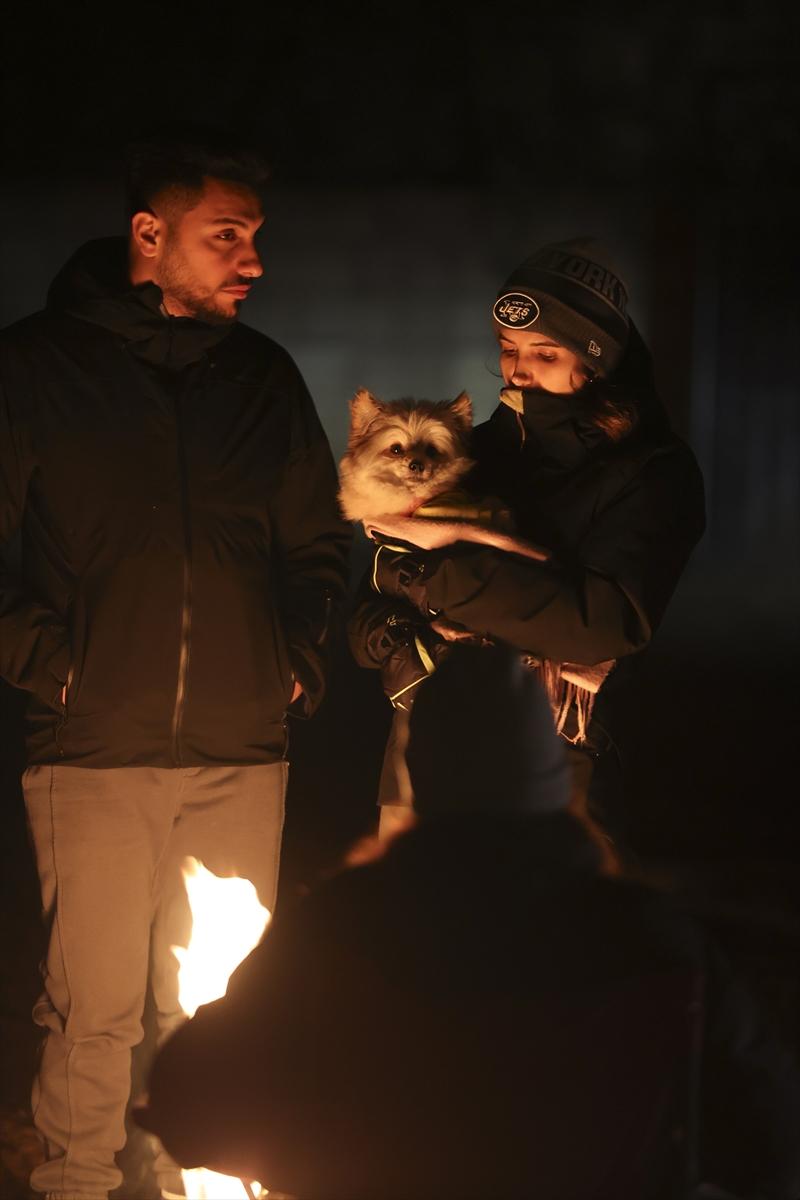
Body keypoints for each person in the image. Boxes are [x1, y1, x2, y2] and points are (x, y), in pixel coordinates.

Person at [0, 128, 351, 1200]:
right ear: (148, 236)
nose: (251, 261)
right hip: (92, 750)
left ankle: (198, 1186)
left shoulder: (263, 379)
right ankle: (75, 1186)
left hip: (242, 751)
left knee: (216, 1011)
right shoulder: (34, 370)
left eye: (255, 237)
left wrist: (292, 659)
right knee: (92, 1009)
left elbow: (318, 545)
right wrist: (52, 666)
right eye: (226, 235)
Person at [135, 644, 800, 1200]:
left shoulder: (344, 928)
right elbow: (770, 1138)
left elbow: (189, 1104)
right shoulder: (652, 935)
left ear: (425, 775)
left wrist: (310, 1153)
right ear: (550, 785)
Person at [348, 238, 706, 858]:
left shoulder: (650, 469)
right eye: (509, 350)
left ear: (596, 361)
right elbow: (373, 596)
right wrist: (403, 651)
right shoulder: (471, 452)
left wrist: (439, 578)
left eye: (545, 352)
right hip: (426, 755)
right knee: (409, 946)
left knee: (545, 946)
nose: (518, 370)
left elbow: (602, 621)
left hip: (556, 764)